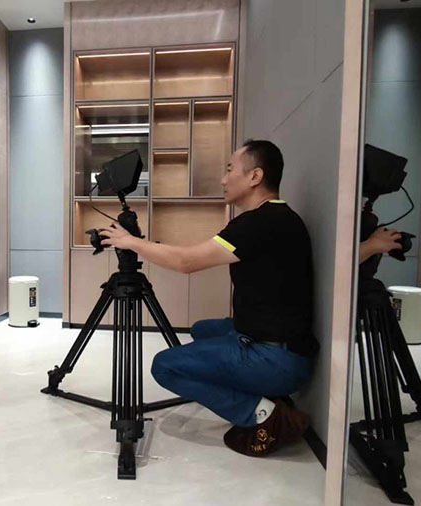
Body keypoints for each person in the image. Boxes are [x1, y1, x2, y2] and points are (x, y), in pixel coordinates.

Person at [99, 140, 317, 457]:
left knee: (165, 366)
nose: (223, 179)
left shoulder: (257, 224)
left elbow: (187, 262)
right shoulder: (278, 217)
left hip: (278, 360)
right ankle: (260, 390)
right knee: (202, 329)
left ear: (255, 176)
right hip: (286, 345)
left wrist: (131, 242)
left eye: (230, 170)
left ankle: (262, 413)